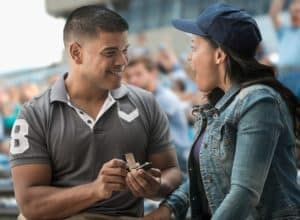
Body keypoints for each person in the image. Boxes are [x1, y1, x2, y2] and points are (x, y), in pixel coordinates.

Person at [9, 6, 181, 220]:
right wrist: (95, 190)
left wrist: (156, 186)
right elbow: (31, 205)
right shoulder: (34, 114)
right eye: (110, 52)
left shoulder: (146, 103)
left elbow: (171, 172)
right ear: (76, 53)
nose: (122, 61)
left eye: (125, 50)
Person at [145, 3, 300, 220]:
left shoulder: (259, 102)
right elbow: (205, 178)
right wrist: (168, 208)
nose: (189, 58)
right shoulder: (213, 106)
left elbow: (244, 193)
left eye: (194, 47)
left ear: (219, 55)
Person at [125, 57, 191, 174]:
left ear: (153, 73)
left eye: (138, 74)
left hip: (179, 168)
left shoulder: (163, 98)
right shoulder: (146, 99)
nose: (133, 80)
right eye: (129, 76)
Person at [269, 0, 300, 98]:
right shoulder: (284, 32)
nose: (293, 14)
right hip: (282, 76)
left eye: (298, 11)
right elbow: (273, 14)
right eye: (291, 11)